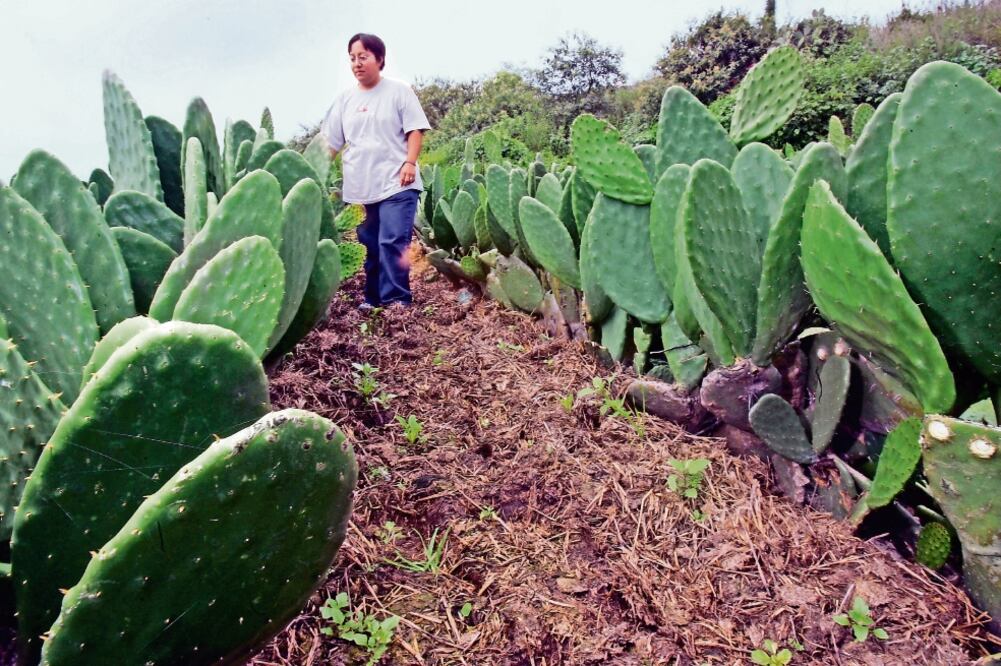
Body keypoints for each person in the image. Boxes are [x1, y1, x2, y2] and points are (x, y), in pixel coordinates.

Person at [321, 32, 431, 309]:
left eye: (363, 57)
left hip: (398, 182)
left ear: (379, 59)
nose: (357, 63)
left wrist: (410, 162)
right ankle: (373, 299)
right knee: (369, 247)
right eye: (352, 59)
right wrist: (311, 171)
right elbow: (331, 144)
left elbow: (415, 130)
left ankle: (396, 302)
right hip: (360, 187)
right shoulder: (345, 100)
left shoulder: (398, 91)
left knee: (392, 241)